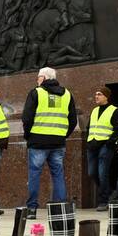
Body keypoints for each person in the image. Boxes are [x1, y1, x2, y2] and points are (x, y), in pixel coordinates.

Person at [20, 66, 77, 218]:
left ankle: (32, 209)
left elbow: (26, 117)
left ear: (44, 78)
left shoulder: (36, 93)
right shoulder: (67, 94)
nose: (37, 80)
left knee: (34, 175)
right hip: (58, 142)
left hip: (37, 141)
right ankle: (60, 208)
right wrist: (62, 135)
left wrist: (28, 135)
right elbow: (73, 120)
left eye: (38, 77)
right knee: (57, 174)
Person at [85, 86, 118, 210]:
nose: (96, 96)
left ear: (106, 96)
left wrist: (110, 143)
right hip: (92, 145)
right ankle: (110, 191)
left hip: (105, 146)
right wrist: (88, 141)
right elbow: (89, 127)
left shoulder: (114, 110)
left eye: (99, 94)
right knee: (92, 172)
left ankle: (103, 201)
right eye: (96, 94)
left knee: (103, 173)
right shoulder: (94, 110)